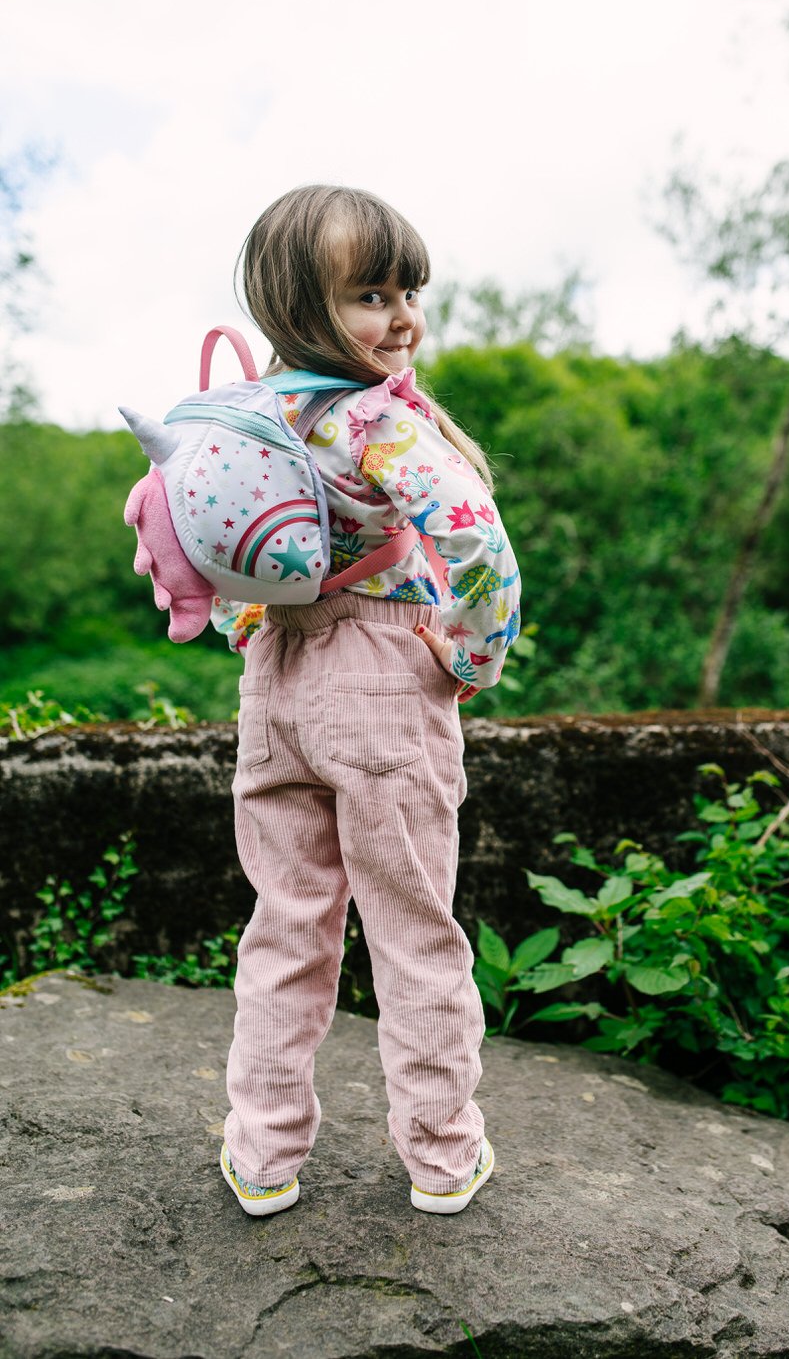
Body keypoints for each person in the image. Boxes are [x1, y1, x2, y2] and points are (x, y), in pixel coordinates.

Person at [214, 185, 520, 1218]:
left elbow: (220, 568)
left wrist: (256, 635)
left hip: (274, 688)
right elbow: (476, 540)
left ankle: (261, 1155)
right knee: (412, 929)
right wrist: (473, 658)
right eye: (369, 295)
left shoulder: (245, 420)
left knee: (285, 927)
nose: (401, 316)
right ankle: (440, 1155)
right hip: (385, 682)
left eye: (408, 290)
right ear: (297, 305)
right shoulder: (373, 424)